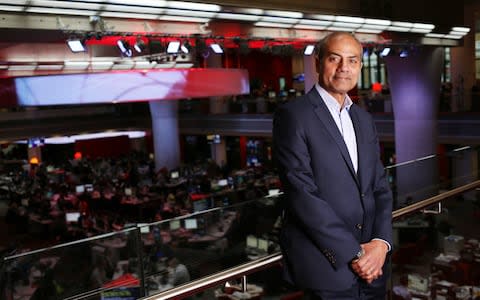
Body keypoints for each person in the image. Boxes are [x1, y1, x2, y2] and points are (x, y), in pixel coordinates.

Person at [273, 32, 393, 299]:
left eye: (352, 60)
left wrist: (381, 244)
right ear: (318, 62)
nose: (344, 68)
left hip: (375, 265)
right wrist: (356, 253)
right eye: (335, 59)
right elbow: (301, 194)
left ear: (360, 66)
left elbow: (380, 187)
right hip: (327, 267)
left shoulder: (363, 119)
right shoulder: (293, 116)